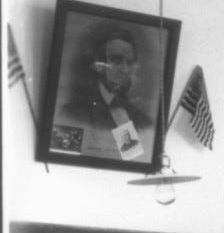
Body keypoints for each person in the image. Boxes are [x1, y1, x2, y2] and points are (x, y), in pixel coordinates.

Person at [56, 26, 152, 160]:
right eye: (116, 60)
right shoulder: (72, 113)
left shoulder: (142, 122)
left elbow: (133, 158)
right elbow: (63, 154)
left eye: (129, 62)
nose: (125, 69)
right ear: (99, 66)